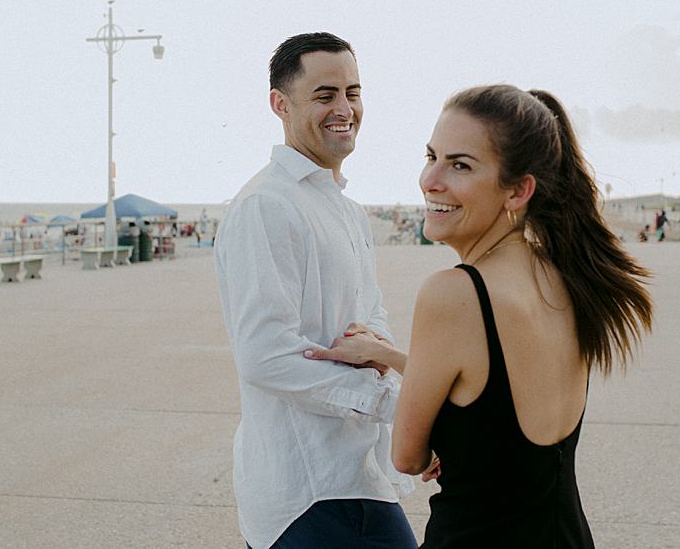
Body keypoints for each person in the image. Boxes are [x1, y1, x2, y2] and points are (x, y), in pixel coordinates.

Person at [307, 85, 653, 546]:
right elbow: (494, 400)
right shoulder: (565, 275)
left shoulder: (455, 294)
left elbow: (408, 457)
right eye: (432, 156)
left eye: (460, 165)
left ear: (518, 190)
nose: (430, 180)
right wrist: (389, 355)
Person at [214, 32, 415, 549]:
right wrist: (391, 404)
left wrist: (389, 389)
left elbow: (372, 322)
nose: (344, 109)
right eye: (325, 95)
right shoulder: (266, 206)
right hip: (305, 490)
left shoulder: (348, 211)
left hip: (361, 473)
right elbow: (265, 356)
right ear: (280, 105)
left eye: (353, 92)